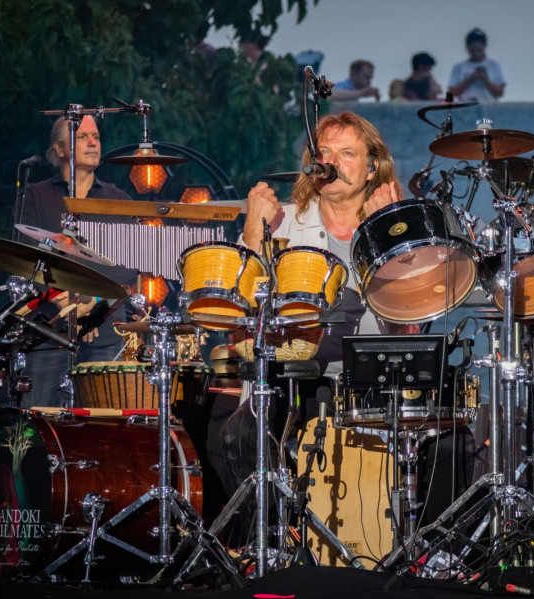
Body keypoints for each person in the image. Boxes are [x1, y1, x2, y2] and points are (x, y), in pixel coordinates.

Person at [217, 111, 474, 534]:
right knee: (239, 433)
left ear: (373, 168)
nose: (332, 162)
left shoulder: (395, 222)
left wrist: (390, 237)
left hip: (376, 384)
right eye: (324, 153)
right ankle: (272, 544)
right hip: (295, 380)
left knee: (452, 441)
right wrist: (251, 233)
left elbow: (408, 328)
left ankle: (426, 551)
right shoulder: (282, 221)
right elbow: (239, 313)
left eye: (347, 153)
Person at [19, 115, 137, 407]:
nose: (93, 143)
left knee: (104, 421)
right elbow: (26, 257)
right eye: (83, 137)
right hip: (48, 330)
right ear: (59, 149)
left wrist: (91, 303)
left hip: (106, 330)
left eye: (96, 136)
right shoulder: (34, 196)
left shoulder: (119, 200)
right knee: (39, 418)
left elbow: (128, 268)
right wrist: (68, 302)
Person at [448, 28, 506, 103]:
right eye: (473, 50)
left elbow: (500, 92)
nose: (476, 53)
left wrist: (485, 80)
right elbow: (451, 93)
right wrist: (470, 79)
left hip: (488, 106)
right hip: (467, 106)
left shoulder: (494, 65)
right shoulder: (459, 67)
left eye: (479, 50)